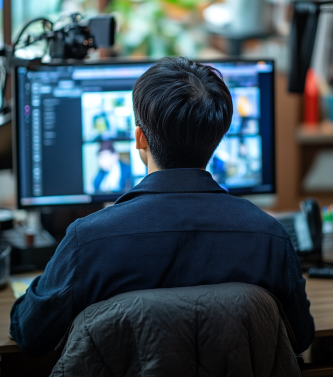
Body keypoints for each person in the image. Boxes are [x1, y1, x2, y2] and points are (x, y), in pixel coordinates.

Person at [10, 57, 314, 357]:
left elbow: (30, 334)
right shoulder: (269, 237)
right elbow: (300, 338)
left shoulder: (88, 241)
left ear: (140, 138)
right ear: (218, 137)